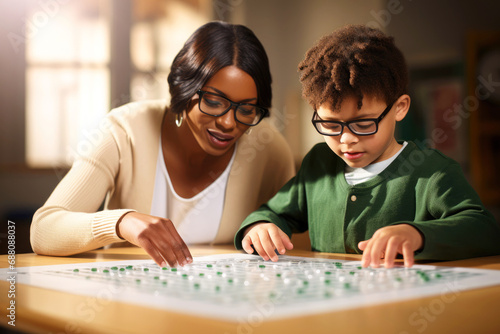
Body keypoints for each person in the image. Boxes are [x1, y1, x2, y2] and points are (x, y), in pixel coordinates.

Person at [30, 21, 295, 267]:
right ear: (184, 88)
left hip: (222, 306)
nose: (228, 123)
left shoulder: (268, 150)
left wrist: (265, 229)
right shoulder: (124, 130)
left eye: (246, 109)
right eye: (214, 102)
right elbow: (44, 230)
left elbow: (292, 239)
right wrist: (123, 222)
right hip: (128, 305)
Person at [234, 24, 500, 268]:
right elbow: (273, 212)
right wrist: (260, 226)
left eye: (363, 125)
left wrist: (417, 234)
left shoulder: (432, 172)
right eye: (331, 125)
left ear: (399, 108)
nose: (346, 139)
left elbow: (484, 230)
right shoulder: (318, 164)